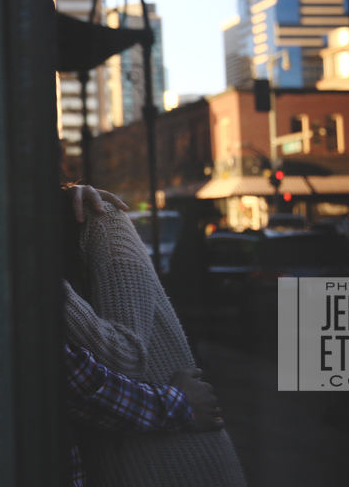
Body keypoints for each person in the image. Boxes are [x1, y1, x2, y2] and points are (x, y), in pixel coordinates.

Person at [60, 191, 246, 486]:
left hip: (172, 461)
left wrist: (35, 276)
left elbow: (124, 359)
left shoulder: (100, 219)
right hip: (115, 459)